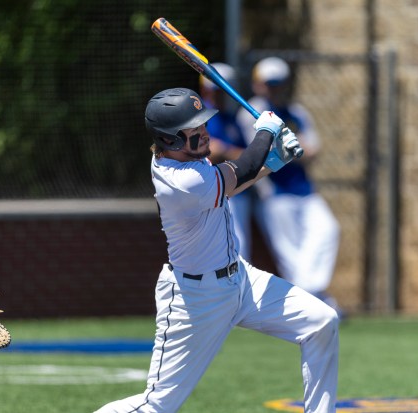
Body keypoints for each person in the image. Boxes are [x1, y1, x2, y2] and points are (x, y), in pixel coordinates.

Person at [93, 88, 339, 413]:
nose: (203, 131)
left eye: (202, 123)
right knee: (157, 405)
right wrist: (266, 130)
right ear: (170, 139)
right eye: (193, 129)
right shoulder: (180, 180)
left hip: (241, 281)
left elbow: (233, 183)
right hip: (197, 299)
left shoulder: (192, 160)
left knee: (321, 321)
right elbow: (242, 170)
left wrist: (276, 159)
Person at [236, 56, 343, 317]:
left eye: (278, 83)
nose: (273, 89)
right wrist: (292, 151)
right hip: (274, 193)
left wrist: (294, 151)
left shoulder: (296, 112)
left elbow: (312, 149)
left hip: (304, 190)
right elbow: (265, 152)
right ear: (258, 84)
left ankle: (310, 295)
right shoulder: (250, 111)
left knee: (328, 230)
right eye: (268, 83)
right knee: (290, 252)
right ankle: (314, 303)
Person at [199, 62, 254, 260]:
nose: (220, 95)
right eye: (216, 90)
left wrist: (227, 151)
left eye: (224, 90)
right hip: (212, 195)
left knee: (241, 252)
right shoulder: (199, 117)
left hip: (235, 193)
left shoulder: (231, 119)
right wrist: (232, 152)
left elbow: (243, 155)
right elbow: (207, 152)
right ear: (205, 89)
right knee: (224, 255)